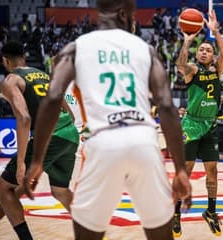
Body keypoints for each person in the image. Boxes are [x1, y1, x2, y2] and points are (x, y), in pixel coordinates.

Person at [23, 1, 192, 239]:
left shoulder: (75, 48)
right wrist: (181, 170)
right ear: (123, 14)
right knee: (160, 234)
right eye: (133, 16)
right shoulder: (146, 50)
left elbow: (52, 99)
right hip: (143, 141)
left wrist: (38, 160)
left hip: (103, 142)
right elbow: (166, 106)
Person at [0, 41, 79, 240]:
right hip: (70, 134)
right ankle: (92, 231)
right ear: (24, 57)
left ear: (5, 60)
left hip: (50, 136)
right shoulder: (43, 74)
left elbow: (24, 118)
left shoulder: (11, 81)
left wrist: (21, 162)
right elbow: (67, 109)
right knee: (60, 191)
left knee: (1, 187)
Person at [173, 9, 223, 237]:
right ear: (197, 56)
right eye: (202, 49)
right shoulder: (192, 70)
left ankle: (211, 211)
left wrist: (215, 32)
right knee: (185, 172)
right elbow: (179, 64)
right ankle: (175, 214)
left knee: (212, 171)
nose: (204, 51)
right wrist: (187, 42)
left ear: (213, 56)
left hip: (211, 126)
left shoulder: (217, 70)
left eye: (208, 50)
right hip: (191, 126)